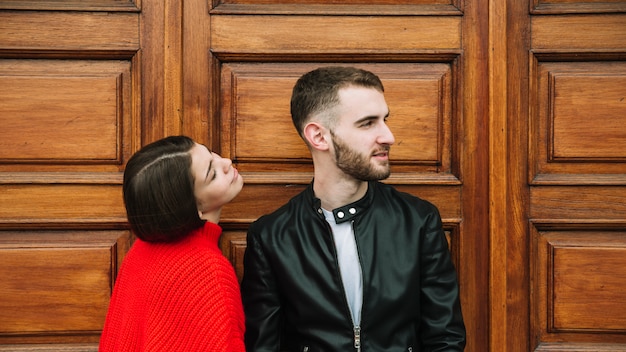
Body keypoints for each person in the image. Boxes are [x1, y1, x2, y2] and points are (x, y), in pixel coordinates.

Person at [240, 66, 466, 351]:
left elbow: (445, 337)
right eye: (368, 123)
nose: (388, 136)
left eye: (384, 120)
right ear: (319, 137)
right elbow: (264, 345)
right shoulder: (272, 236)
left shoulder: (418, 220)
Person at [99, 135, 246, 351]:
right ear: (192, 208)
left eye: (210, 153)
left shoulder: (141, 250)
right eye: (212, 174)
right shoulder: (209, 273)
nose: (226, 162)